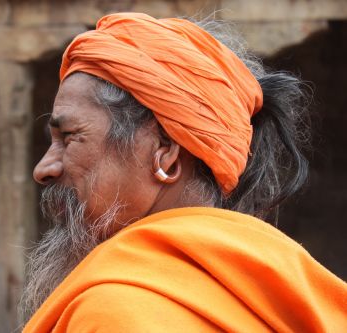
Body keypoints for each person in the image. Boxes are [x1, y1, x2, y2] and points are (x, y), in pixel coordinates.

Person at [20, 12, 347, 332]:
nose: (44, 169)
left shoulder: (116, 311)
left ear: (165, 149)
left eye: (70, 137)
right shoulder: (286, 291)